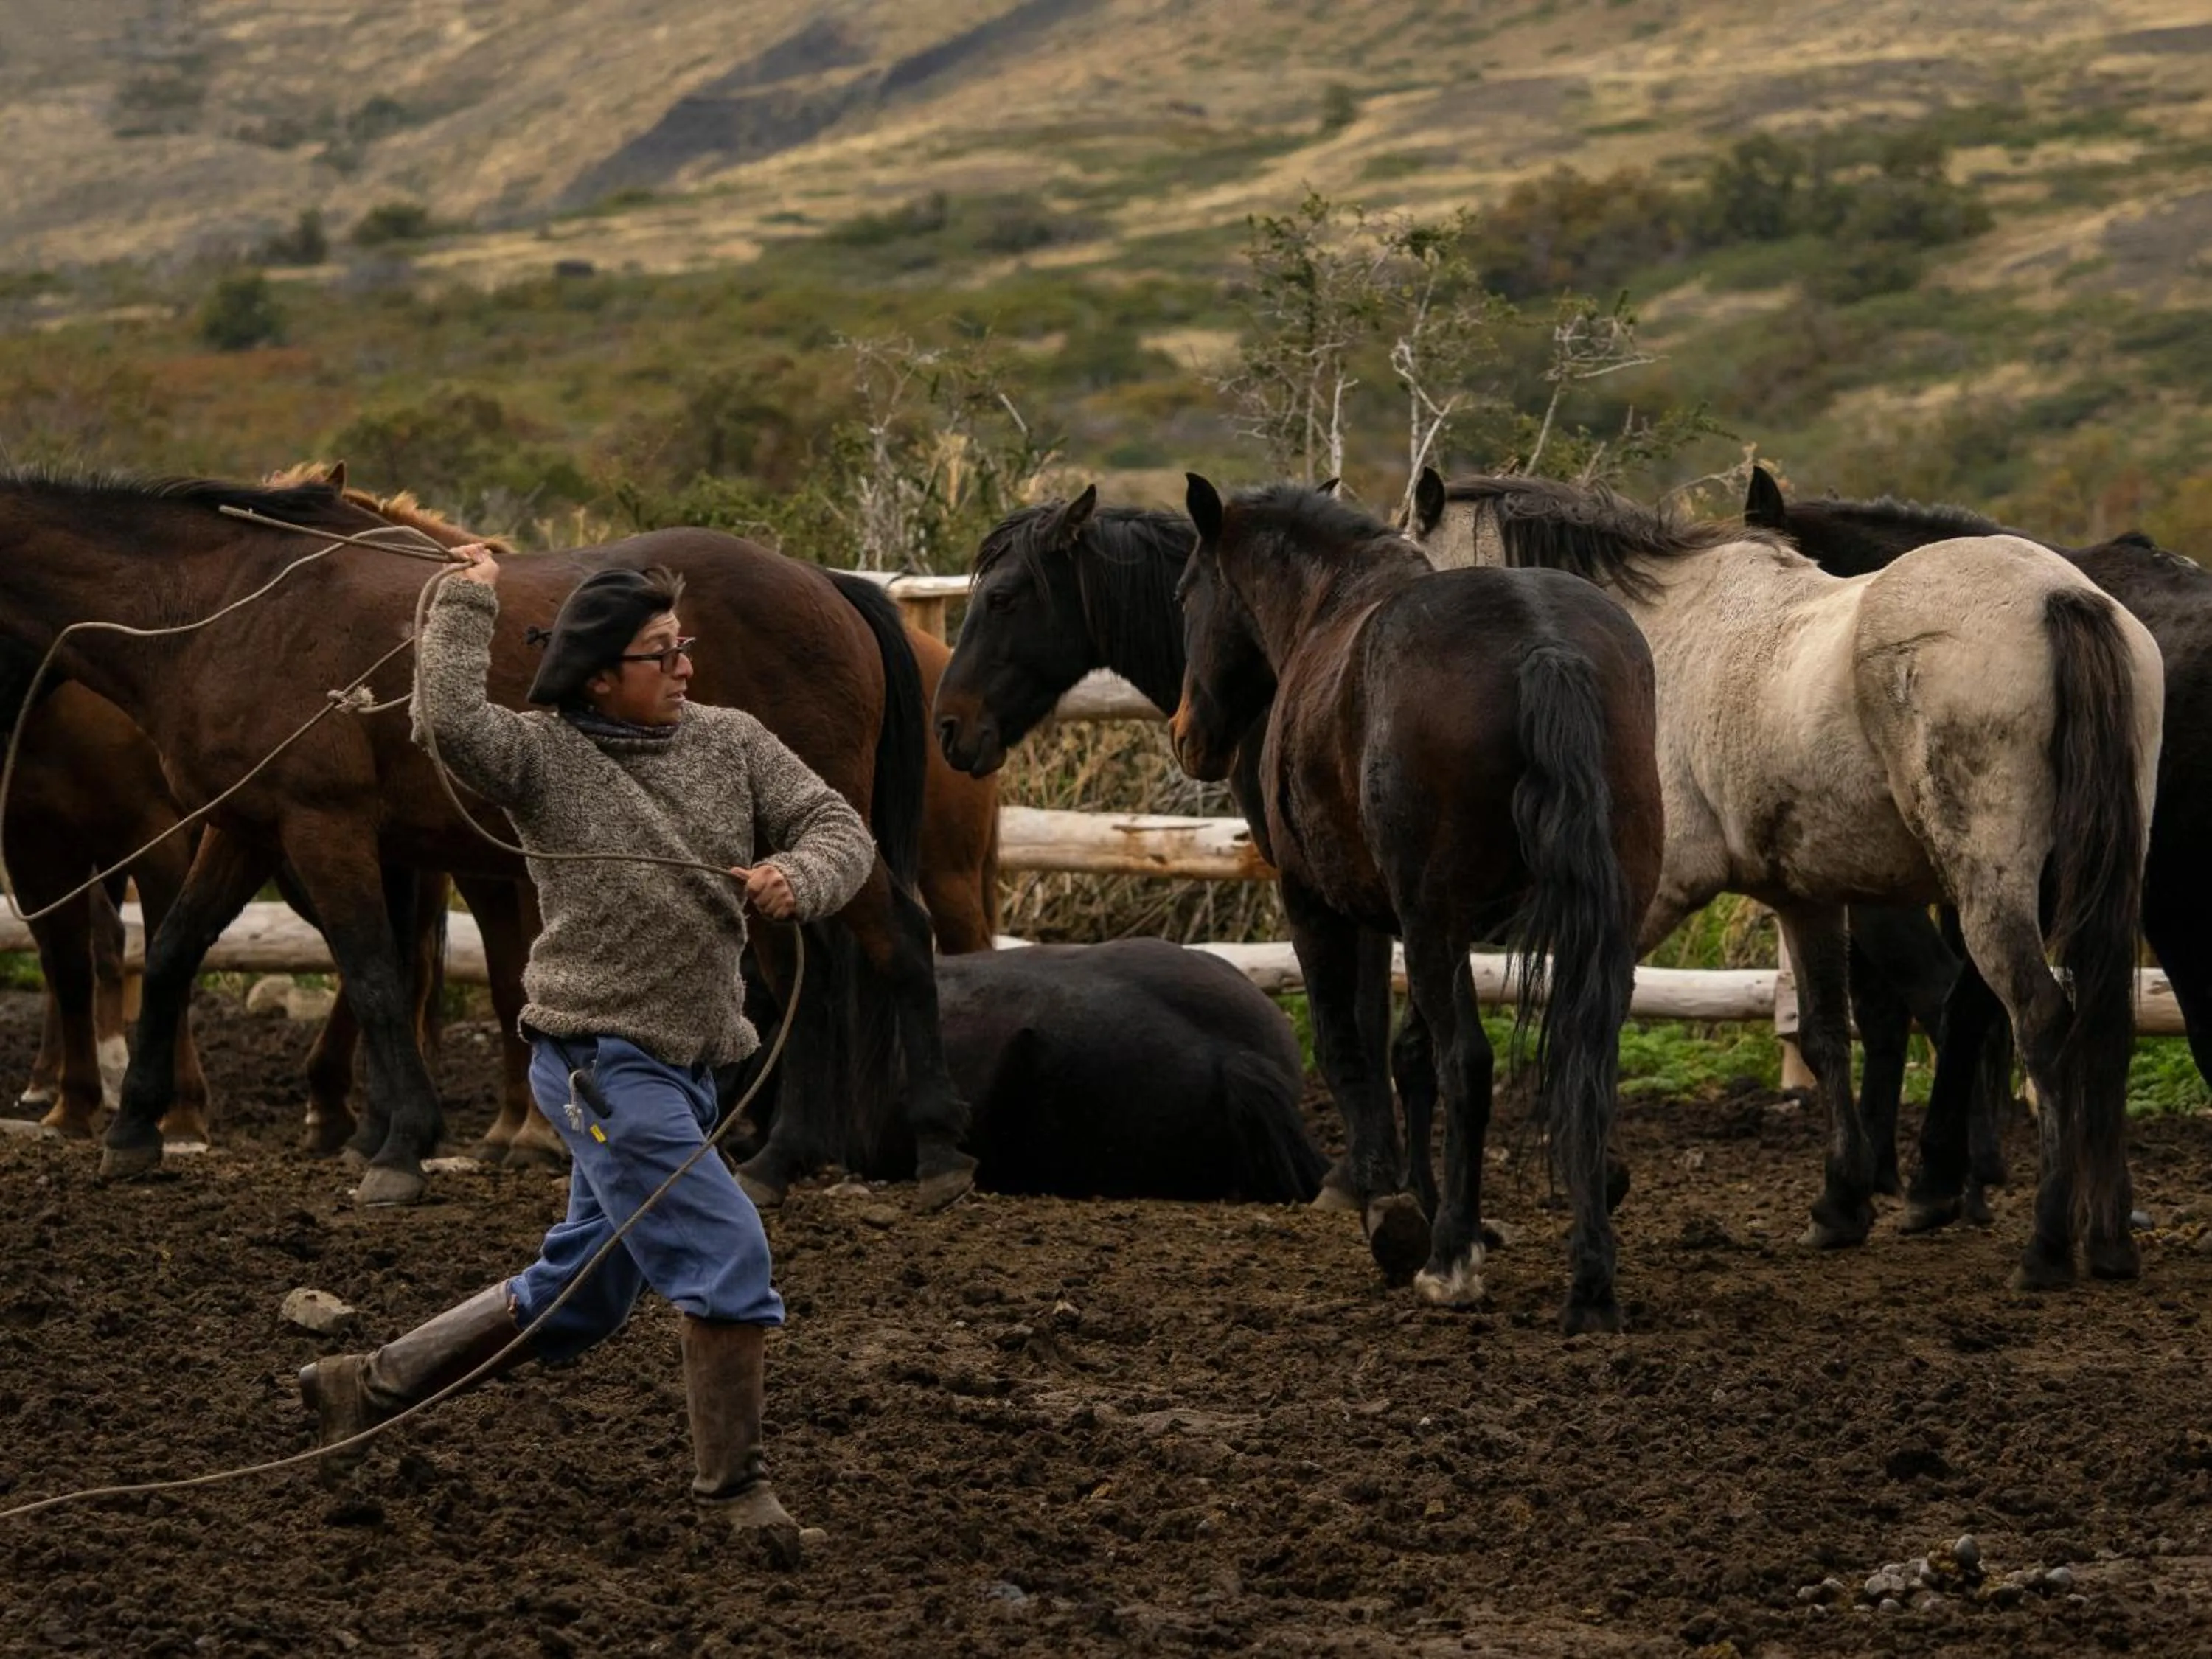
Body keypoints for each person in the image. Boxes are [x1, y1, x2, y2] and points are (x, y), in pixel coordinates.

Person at [299, 544, 877, 1565]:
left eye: (684, 645)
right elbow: (446, 722)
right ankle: (735, 1495)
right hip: (600, 1064)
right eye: (662, 654)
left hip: (696, 1064)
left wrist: (801, 872)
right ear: (601, 674)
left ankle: (364, 1386)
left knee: (581, 1296)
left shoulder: (732, 741)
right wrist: (466, 608)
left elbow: (835, 822)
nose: (687, 666)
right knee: (729, 1251)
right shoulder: (540, 755)